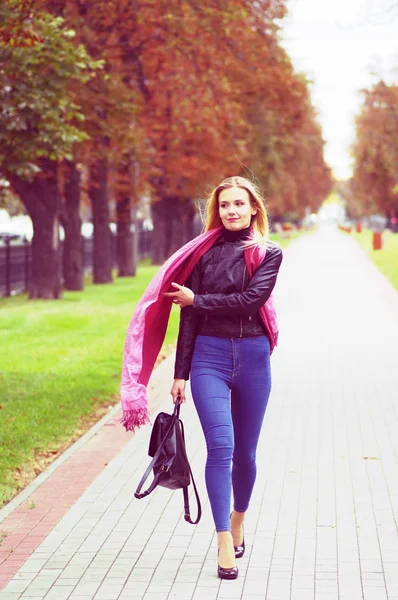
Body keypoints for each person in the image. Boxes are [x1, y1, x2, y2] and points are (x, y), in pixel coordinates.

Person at [163, 176, 283, 580]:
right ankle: (222, 541)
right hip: (208, 358)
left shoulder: (268, 252)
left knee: (245, 454)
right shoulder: (201, 254)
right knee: (221, 446)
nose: (231, 210)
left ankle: (238, 518)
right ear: (218, 210)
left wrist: (198, 300)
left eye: (239, 204)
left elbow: (250, 301)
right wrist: (180, 373)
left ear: (253, 209)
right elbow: (189, 316)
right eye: (225, 204)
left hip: (253, 357)